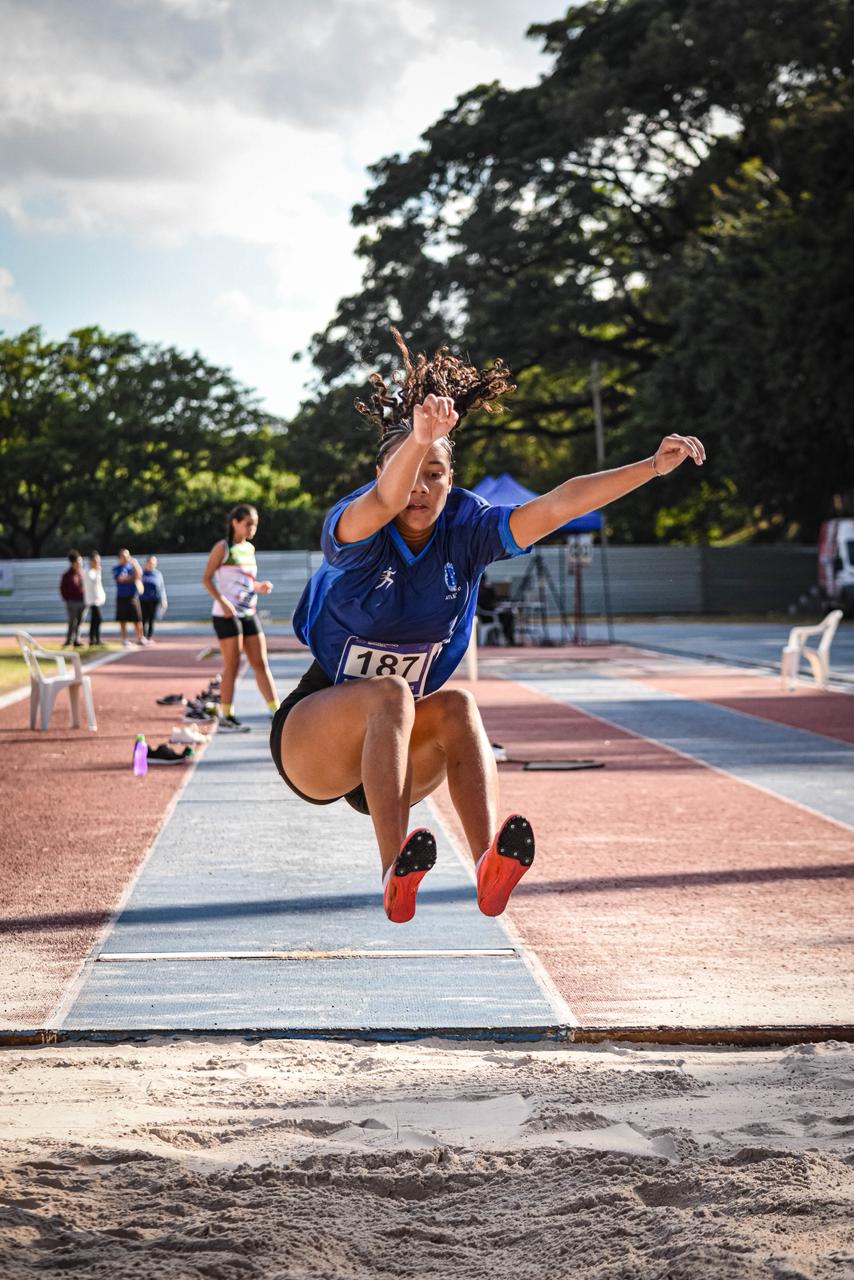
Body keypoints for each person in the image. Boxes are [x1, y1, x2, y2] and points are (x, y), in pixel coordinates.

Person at [270, 329, 706, 925]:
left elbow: (557, 505)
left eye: (436, 473)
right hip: (315, 737)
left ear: (452, 482)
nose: (421, 488)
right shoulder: (357, 526)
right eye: (410, 473)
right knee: (391, 693)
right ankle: (393, 872)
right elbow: (384, 500)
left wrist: (652, 469)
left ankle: (486, 868)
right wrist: (420, 441)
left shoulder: (467, 530)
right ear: (384, 470)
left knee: (458, 707)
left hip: (393, 760)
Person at [201, 504, 279, 733]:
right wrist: (223, 602)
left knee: (260, 663)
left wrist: (259, 586)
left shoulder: (250, 549)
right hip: (226, 615)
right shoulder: (223, 548)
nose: (252, 529)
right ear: (235, 522)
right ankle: (226, 715)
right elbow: (206, 579)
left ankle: (277, 711)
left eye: (255, 524)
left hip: (248, 612)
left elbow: (244, 581)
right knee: (232, 665)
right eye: (248, 524)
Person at [113, 548, 145, 647]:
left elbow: (139, 575)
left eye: (128, 556)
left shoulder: (132, 567)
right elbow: (121, 579)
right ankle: (124, 639)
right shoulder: (117, 568)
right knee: (123, 620)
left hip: (133, 596)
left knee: (137, 619)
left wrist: (135, 564)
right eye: (124, 556)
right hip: (122, 596)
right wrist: (132, 578)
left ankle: (140, 637)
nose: (126, 558)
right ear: (119, 558)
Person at [59, 551, 85, 647]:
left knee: (80, 622)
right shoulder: (67, 575)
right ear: (73, 563)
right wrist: (67, 599)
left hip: (82, 601)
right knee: (72, 622)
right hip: (72, 602)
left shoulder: (81, 573)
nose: (80, 564)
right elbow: (62, 588)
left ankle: (77, 640)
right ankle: (69, 640)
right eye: (78, 562)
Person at [140, 555, 168, 642]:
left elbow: (162, 587)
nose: (151, 564)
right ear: (146, 563)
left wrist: (164, 599)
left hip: (154, 599)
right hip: (143, 599)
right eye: (150, 562)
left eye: (153, 563)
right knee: (143, 619)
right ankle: (142, 636)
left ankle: (149, 636)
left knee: (151, 618)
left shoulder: (157, 574)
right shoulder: (141, 573)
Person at [83, 551, 106, 646]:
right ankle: (94, 639)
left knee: (95, 620)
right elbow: (93, 583)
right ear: (91, 561)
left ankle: (95, 639)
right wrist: (97, 572)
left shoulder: (94, 571)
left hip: (96, 599)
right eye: (96, 561)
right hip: (92, 600)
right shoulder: (88, 571)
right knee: (97, 619)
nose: (98, 563)